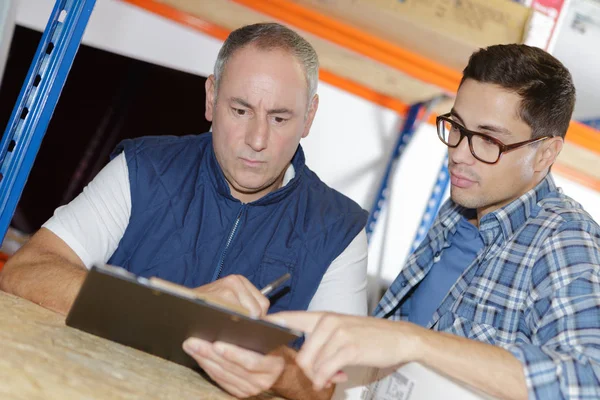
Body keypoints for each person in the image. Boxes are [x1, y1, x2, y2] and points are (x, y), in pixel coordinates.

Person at [183, 44, 600, 400]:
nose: (458, 153)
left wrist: (414, 343)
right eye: (456, 127)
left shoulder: (564, 240)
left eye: (488, 139)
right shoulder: (459, 211)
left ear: (546, 154)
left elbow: (588, 380)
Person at [0, 21, 368, 363]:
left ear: (309, 116)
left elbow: (335, 382)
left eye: (280, 118)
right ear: (211, 98)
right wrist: (174, 310)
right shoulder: (144, 168)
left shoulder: (339, 229)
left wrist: (264, 358)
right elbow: (27, 271)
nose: (257, 140)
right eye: (240, 110)